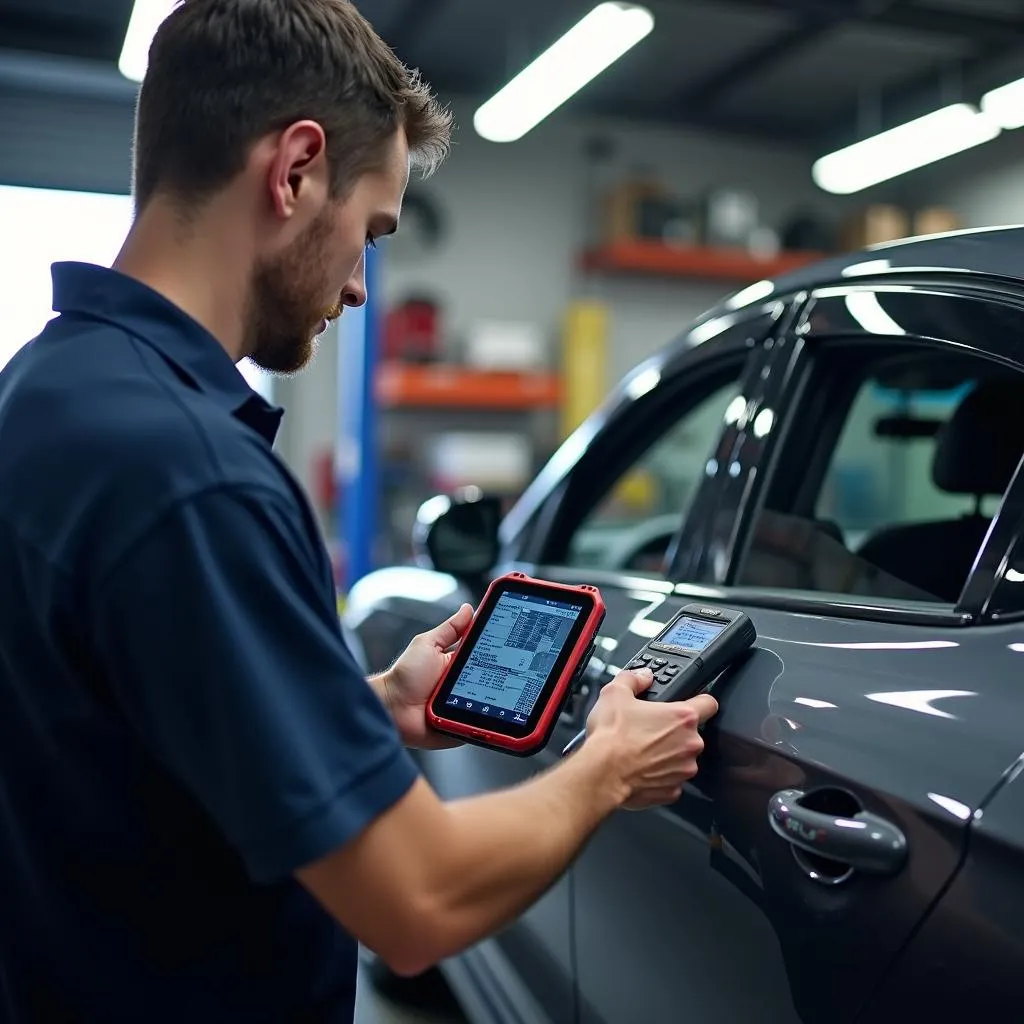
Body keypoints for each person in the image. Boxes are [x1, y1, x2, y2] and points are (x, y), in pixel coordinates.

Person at [0, 2, 718, 1022]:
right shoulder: (192, 474)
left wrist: (370, 702)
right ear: (295, 171)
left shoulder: (46, 389)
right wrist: (608, 765)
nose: (361, 289)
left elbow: (119, 726)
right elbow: (416, 900)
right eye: (371, 231)